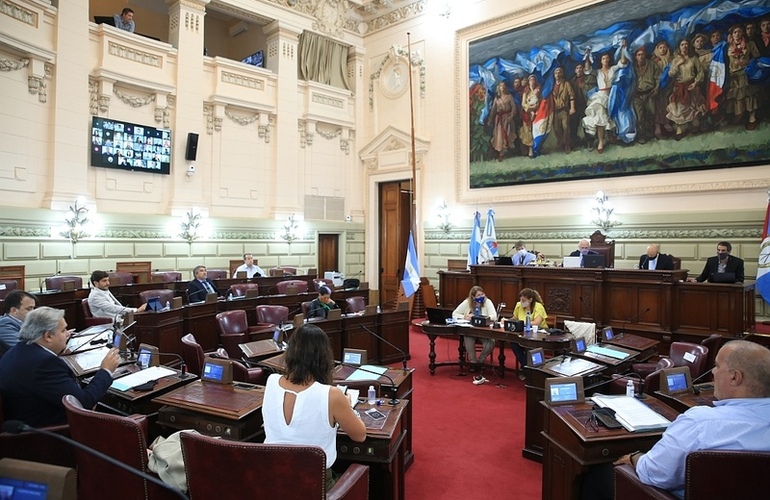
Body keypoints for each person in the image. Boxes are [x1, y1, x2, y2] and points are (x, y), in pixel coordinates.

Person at [614, 340, 770, 499]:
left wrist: (635, 457)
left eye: (717, 366)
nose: (713, 372)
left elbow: (654, 473)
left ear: (735, 377)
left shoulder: (699, 423)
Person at [262, 324, 366, 491]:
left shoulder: (272, 381)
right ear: (324, 357)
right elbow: (360, 435)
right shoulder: (332, 394)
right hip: (314, 484)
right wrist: (348, 405)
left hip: (273, 480)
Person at [0, 307, 120, 427]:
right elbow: (83, 404)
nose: (68, 334)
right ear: (48, 336)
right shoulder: (44, 363)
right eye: (63, 330)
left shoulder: (17, 351)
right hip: (50, 431)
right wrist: (106, 370)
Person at [582, 43, 629, 154]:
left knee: (614, 115)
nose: (606, 60)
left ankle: (613, 136)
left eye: (607, 58)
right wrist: (587, 56)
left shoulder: (612, 69)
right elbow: (587, 70)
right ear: (601, 61)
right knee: (599, 114)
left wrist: (623, 48)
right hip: (600, 95)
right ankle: (600, 141)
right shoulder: (598, 72)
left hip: (612, 95)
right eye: (603, 58)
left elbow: (622, 63)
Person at [452, 286, 497, 384]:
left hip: (484, 331)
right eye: (478, 295)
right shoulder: (467, 302)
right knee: (467, 337)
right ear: (473, 297)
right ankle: (473, 362)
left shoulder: (487, 302)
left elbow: (494, 316)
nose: (481, 296)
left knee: (491, 342)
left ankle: (480, 361)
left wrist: (483, 318)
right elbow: (454, 314)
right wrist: (465, 317)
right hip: (471, 330)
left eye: (482, 294)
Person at [666, 38, 706, 138]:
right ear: (679, 47)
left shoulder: (693, 58)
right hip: (680, 87)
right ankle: (679, 129)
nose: (684, 46)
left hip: (692, 86)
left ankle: (694, 126)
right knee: (679, 108)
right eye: (682, 44)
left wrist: (695, 83)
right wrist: (678, 64)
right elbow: (671, 74)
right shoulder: (676, 60)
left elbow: (700, 71)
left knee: (692, 108)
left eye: (686, 44)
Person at [505, 288, 548, 381]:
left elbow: (536, 322)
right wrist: (507, 320)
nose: (521, 302)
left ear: (530, 300)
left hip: (538, 334)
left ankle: (525, 370)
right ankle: (526, 369)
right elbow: (515, 318)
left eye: (523, 300)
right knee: (514, 343)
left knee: (529, 346)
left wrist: (521, 322)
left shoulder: (538, 307)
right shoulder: (518, 305)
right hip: (522, 333)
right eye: (520, 300)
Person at [725, 24, 760, 130]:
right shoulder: (727, 46)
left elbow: (757, 57)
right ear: (731, 34)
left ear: (743, 33)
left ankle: (752, 118)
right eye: (735, 32)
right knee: (737, 97)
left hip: (746, 73)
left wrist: (749, 63)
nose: (737, 34)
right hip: (734, 75)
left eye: (739, 31)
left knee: (750, 95)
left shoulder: (749, 44)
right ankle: (739, 115)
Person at [0, 291, 36, 359]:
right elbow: (23, 348)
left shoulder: (27, 322)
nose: (33, 312)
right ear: (14, 310)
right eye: (29, 309)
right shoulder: (4, 324)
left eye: (33, 308)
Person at [487, 82, 517, 161]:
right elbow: (493, 109)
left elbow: (513, 107)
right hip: (499, 119)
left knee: (507, 134)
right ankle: (501, 152)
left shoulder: (509, 97)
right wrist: (490, 119)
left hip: (507, 118)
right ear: (499, 88)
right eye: (501, 86)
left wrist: (511, 116)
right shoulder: (497, 98)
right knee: (499, 134)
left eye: (504, 86)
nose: (502, 87)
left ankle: (506, 150)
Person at [551, 67, 576, 153]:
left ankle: (567, 144)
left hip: (564, 109)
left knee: (565, 127)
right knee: (556, 128)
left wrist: (572, 107)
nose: (557, 75)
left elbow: (571, 95)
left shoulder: (566, 84)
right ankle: (560, 141)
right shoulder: (552, 85)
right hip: (555, 110)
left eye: (559, 73)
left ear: (562, 74)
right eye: (556, 73)